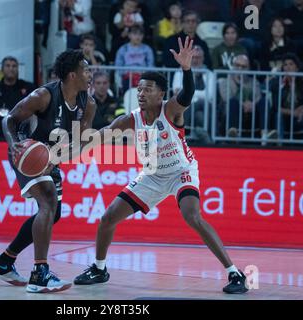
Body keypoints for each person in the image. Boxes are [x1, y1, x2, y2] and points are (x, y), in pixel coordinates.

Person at [73, 37, 249, 294]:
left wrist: (186, 69)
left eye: (147, 89)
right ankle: (99, 269)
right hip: (152, 175)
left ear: (161, 93)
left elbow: (187, 94)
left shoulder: (171, 110)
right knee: (108, 217)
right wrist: (76, 136)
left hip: (182, 171)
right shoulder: (130, 119)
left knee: (192, 216)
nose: (141, 94)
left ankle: (235, 274)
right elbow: (98, 137)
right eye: (139, 89)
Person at [0, 49, 96, 293]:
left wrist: (56, 158)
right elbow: (9, 120)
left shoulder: (89, 104)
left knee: (53, 214)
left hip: (52, 157)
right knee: (47, 203)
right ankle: (40, 272)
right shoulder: (43, 96)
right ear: (72, 75)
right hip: (27, 153)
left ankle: (4, 261)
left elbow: (82, 141)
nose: (91, 74)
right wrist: (15, 146)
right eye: (87, 69)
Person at [0, 56, 35, 138]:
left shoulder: (28, 88)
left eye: (14, 66)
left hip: (22, 136)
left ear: (18, 69)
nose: (11, 68)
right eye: (7, 66)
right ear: (2, 69)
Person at [115, 25, 155, 91]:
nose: (138, 37)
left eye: (140, 34)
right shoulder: (123, 49)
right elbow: (118, 66)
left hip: (143, 77)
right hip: (127, 77)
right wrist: (128, 73)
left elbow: (150, 65)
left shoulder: (147, 49)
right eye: (135, 34)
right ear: (129, 35)